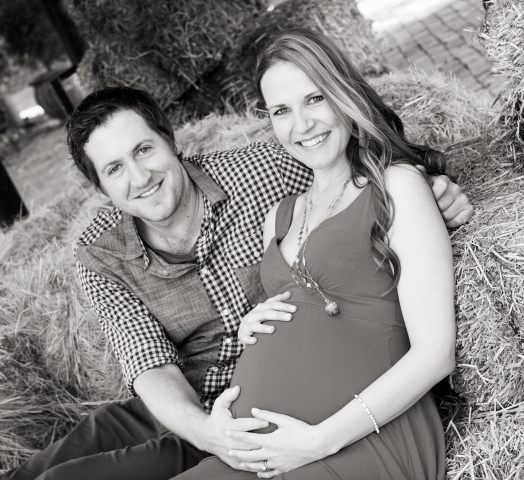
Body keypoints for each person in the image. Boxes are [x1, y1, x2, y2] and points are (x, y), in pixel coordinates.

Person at [0, 59, 471, 480]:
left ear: (171, 142)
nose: (140, 177)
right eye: (114, 169)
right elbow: (149, 365)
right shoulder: (100, 252)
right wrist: (207, 431)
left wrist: (434, 187)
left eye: (144, 150)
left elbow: (350, 169)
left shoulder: (264, 171)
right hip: (185, 409)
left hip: (262, 413)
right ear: (101, 189)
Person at [172, 28, 455, 480]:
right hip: (261, 455)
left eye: (315, 99)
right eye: (282, 111)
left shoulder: (395, 187)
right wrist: (251, 326)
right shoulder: (280, 216)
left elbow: (436, 353)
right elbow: (304, 317)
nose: (301, 125)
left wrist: (316, 441)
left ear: (345, 96)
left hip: (358, 444)